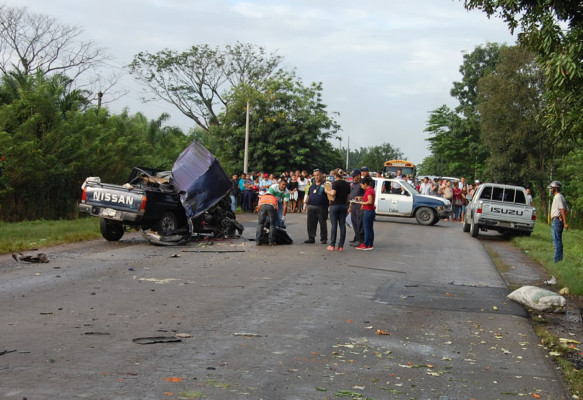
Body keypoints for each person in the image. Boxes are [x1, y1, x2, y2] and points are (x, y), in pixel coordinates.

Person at [325, 169, 351, 251]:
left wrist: (326, 191)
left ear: (335, 175)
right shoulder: (347, 184)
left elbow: (333, 193)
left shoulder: (335, 183)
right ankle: (341, 246)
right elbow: (348, 197)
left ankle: (332, 245)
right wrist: (346, 204)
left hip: (335, 205)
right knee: (342, 225)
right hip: (343, 205)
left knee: (334, 225)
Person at [304, 169, 329, 244]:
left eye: (318, 175)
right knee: (310, 223)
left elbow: (330, 196)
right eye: (315, 175)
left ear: (322, 175)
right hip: (311, 206)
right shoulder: (312, 184)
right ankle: (311, 237)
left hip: (322, 207)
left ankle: (323, 238)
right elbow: (309, 194)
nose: (316, 177)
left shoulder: (326, 184)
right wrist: (306, 204)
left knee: (323, 223)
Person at [549, 181, 568, 263]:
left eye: (551, 188)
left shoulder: (558, 197)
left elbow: (563, 210)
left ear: (556, 188)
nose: (550, 189)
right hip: (557, 219)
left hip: (557, 221)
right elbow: (567, 210)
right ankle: (559, 259)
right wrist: (561, 216)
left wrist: (564, 222)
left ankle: (557, 260)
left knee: (556, 241)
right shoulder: (561, 197)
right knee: (557, 240)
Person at [356, 176, 375, 250]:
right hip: (370, 211)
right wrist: (362, 198)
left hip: (368, 211)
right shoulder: (370, 190)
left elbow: (370, 201)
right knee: (370, 228)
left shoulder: (369, 191)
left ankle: (366, 244)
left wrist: (362, 203)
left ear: (365, 184)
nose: (362, 187)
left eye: (362, 185)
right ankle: (370, 244)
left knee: (367, 228)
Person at [348, 168, 365, 247]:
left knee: (359, 223)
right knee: (354, 222)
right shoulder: (354, 184)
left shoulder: (362, 183)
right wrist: (350, 205)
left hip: (359, 205)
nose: (353, 177)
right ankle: (356, 238)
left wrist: (361, 198)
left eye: (354, 176)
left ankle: (361, 240)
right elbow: (352, 195)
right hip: (353, 204)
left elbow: (366, 194)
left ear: (359, 175)